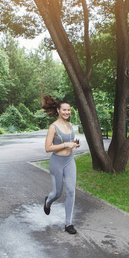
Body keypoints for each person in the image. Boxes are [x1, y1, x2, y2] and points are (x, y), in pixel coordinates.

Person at [42, 95, 80, 234]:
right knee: (57, 193)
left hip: (69, 161)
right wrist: (65, 144)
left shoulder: (70, 125)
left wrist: (75, 144)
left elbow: (71, 142)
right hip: (57, 162)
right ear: (58, 110)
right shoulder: (53, 127)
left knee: (71, 191)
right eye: (64, 110)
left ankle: (68, 224)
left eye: (68, 110)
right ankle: (48, 202)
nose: (67, 112)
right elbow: (47, 148)